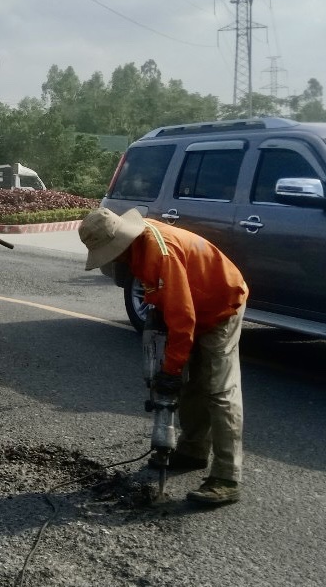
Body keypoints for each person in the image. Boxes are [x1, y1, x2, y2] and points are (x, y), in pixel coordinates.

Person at [79, 207, 248, 506]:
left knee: (219, 389)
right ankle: (194, 450)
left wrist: (170, 372)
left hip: (221, 303)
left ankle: (227, 477)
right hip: (195, 302)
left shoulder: (160, 253)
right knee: (194, 383)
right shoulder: (138, 248)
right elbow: (169, 304)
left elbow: (183, 322)